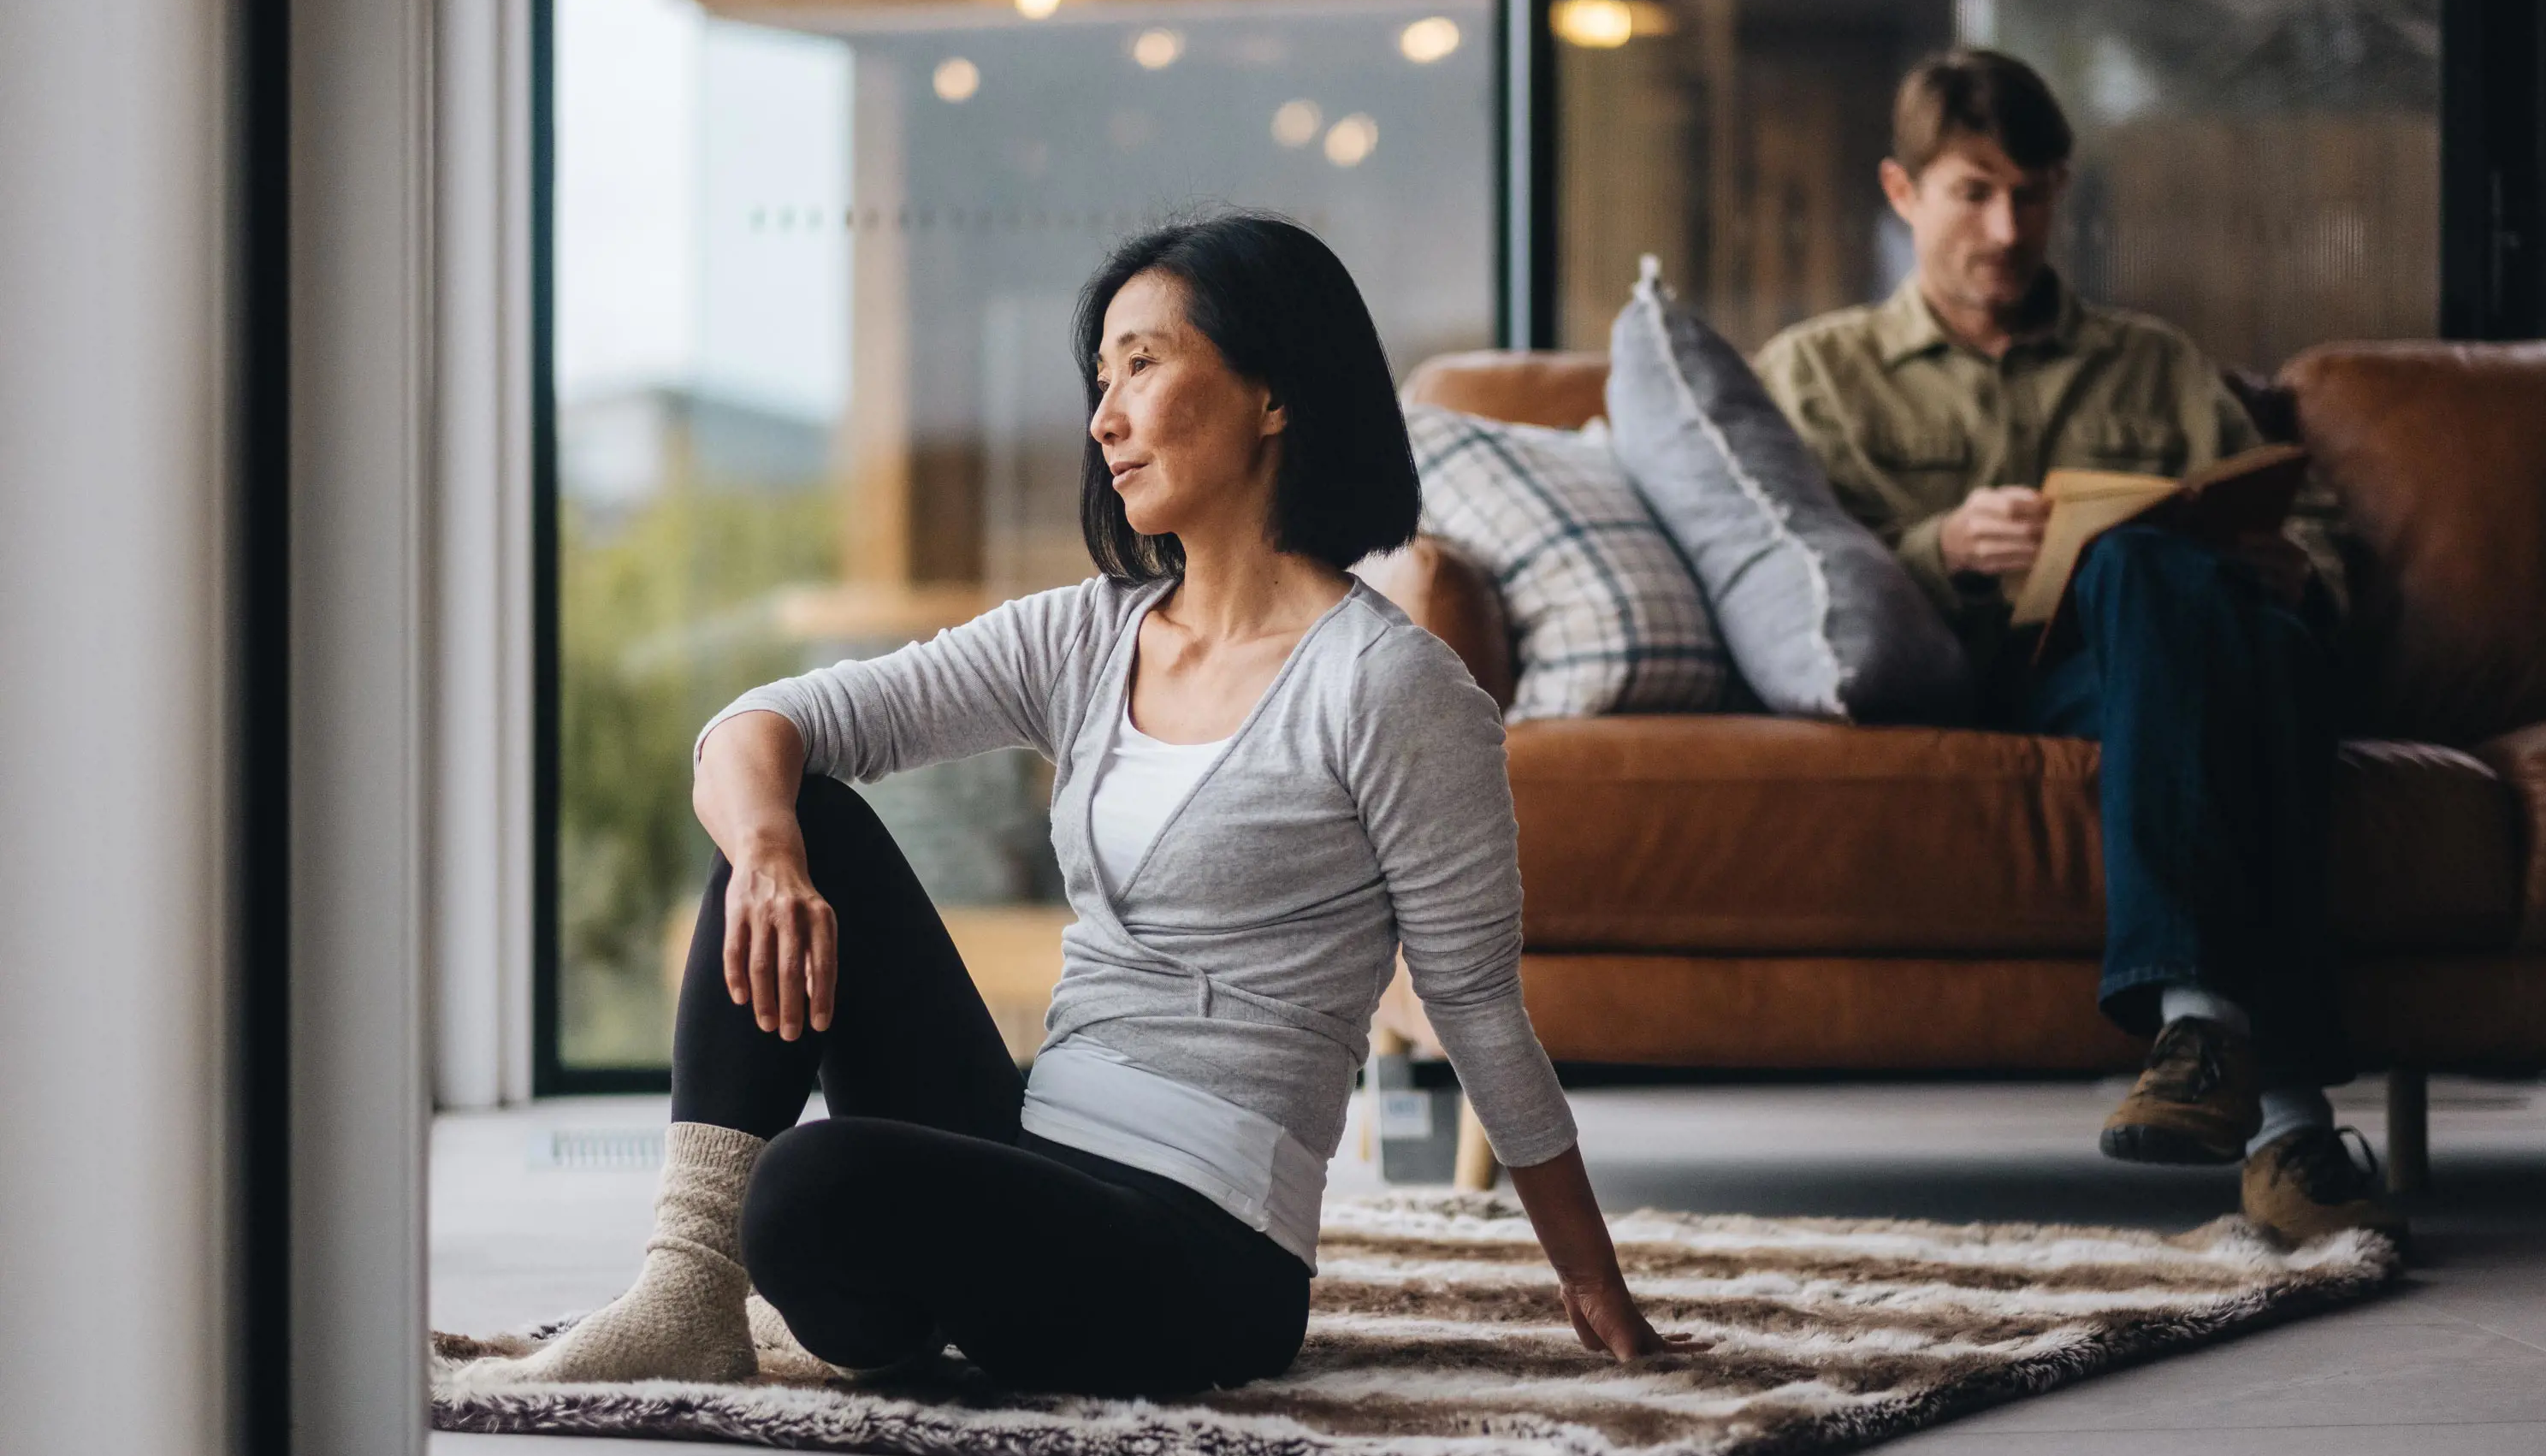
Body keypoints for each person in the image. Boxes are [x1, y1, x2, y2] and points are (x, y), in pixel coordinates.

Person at [469, 213, 1684, 1396]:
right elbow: (752, 729)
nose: (1104, 417)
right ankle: (689, 1297)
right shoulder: (1089, 634)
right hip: (1036, 1143)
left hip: (1208, 1243)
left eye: (1143, 367)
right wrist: (775, 853)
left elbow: (1476, 1008)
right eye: (1099, 377)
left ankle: (924, 1296)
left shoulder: (1391, 688)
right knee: (803, 821)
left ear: (1275, 394)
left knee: (806, 1190)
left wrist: (1589, 1281)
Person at [1752, 49, 2400, 1246]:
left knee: (2207, 605)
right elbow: (1775, 565)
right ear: (1903, 192)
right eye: (1975, 191)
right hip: (1994, 679)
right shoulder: (1816, 373)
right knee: (2196, 613)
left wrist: (2295, 563)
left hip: (2176, 676)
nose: (2009, 226)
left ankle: (2205, 1042)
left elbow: (2305, 530)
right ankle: (2293, 1120)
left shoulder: (2152, 361)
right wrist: (1934, 542)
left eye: (2035, 192)